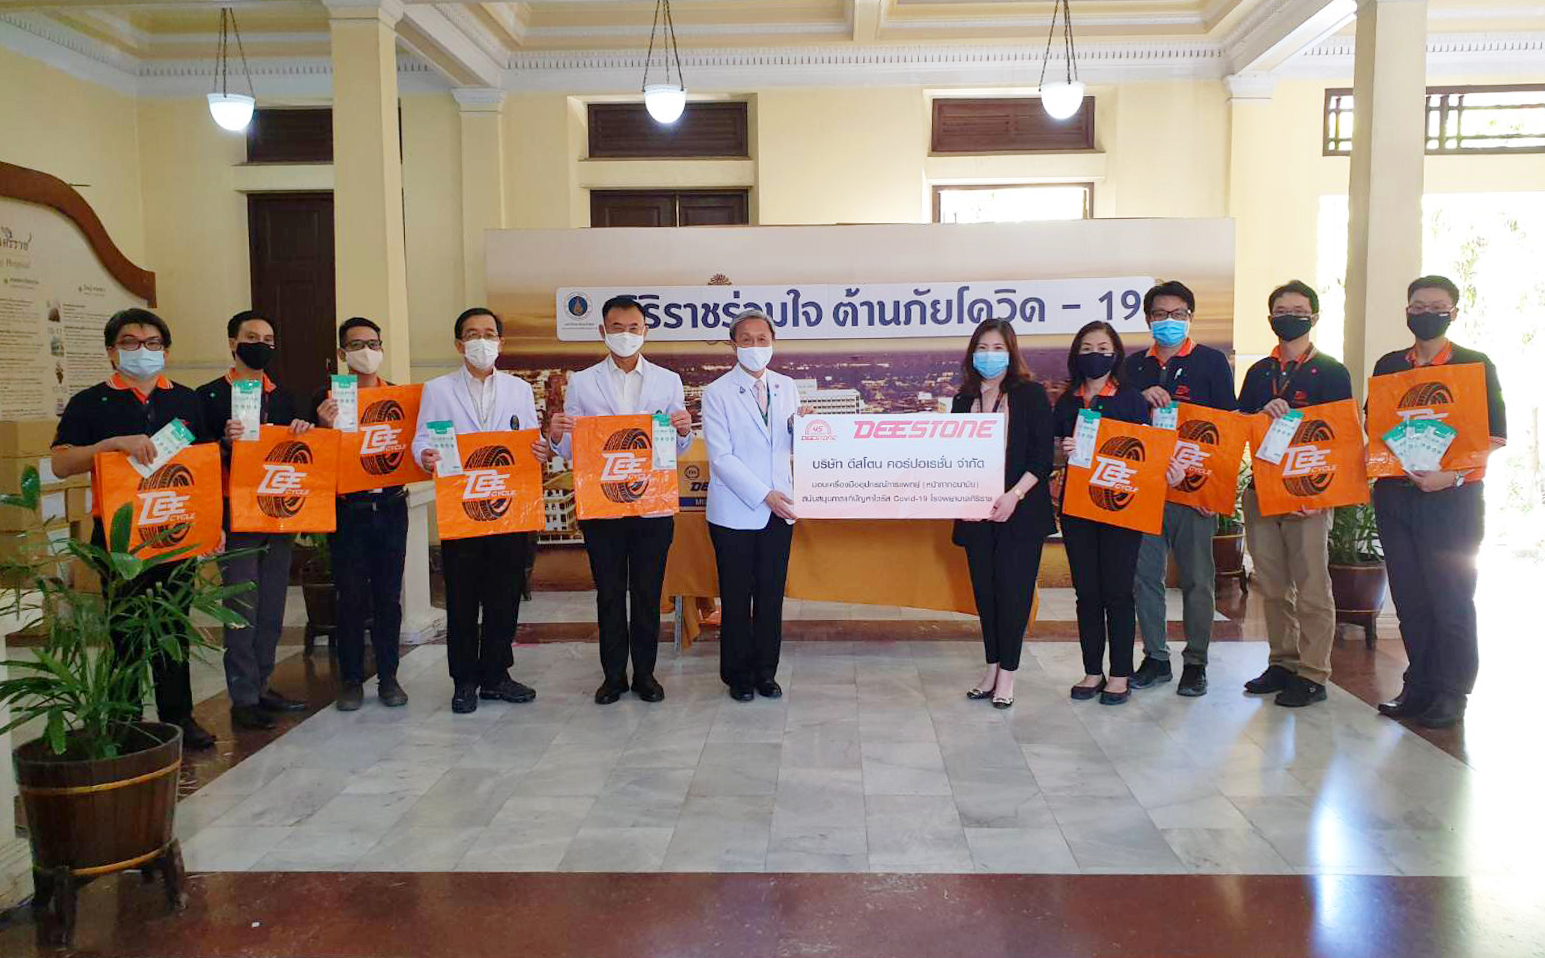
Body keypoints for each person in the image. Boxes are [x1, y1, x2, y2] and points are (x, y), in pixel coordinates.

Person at [50, 309, 216, 750]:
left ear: (166, 351)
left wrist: (210, 525)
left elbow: (202, 466)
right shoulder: (91, 402)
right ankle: (125, 721)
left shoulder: (186, 400)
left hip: (174, 531)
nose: (143, 351)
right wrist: (108, 446)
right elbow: (61, 463)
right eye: (130, 342)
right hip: (119, 538)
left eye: (152, 343)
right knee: (124, 630)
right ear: (112, 351)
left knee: (172, 625)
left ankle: (178, 717)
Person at [1369, 276, 1506, 729]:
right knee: (1409, 598)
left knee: (1451, 598)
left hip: (1453, 498)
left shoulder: (1475, 364)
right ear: (1407, 310)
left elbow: (1494, 436)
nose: (1426, 313)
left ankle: (1452, 692)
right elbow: (1376, 425)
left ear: (1454, 312)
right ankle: (1420, 684)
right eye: (1418, 305)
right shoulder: (1390, 365)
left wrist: (1453, 475)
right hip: (1396, 495)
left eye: (1436, 306)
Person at [546, 295, 694, 705]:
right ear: (602, 331)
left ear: (645, 331)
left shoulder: (667, 381)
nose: (625, 335)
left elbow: (675, 449)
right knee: (609, 593)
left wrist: (684, 431)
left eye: (633, 328)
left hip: (652, 505)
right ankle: (613, 676)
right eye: (617, 327)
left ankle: (645, 674)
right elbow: (574, 449)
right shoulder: (582, 382)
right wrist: (557, 437)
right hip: (603, 504)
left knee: (647, 592)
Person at [412, 307, 550, 714]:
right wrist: (426, 455)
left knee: (504, 594)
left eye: (489, 334)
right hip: (462, 506)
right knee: (462, 596)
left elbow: (530, 439)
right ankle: (464, 680)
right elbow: (420, 440)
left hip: (508, 507)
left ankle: (496, 675)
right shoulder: (437, 390)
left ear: (501, 343)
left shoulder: (518, 389)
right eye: (473, 334)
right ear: (459, 345)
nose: (482, 341)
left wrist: (539, 450)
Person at [1237, 281, 1353, 708]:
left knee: (1311, 586)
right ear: (1271, 319)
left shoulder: (1331, 371)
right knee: (1272, 585)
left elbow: (1341, 438)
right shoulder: (1258, 373)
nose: (1290, 317)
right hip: (1263, 491)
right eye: (1281, 311)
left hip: (1308, 496)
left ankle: (1314, 673)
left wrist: (1322, 496)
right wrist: (1258, 414)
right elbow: (1240, 426)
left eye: (1299, 310)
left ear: (1314, 317)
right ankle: (1282, 662)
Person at [197, 311, 313, 731]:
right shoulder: (209, 396)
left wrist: (304, 429)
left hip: (277, 513)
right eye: (251, 337)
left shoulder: (283, 397)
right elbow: (194, 459)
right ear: (233, 343)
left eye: (268, 339)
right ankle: (243, 696)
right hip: (236, 515)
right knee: (241, 607)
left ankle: (263, 683)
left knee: (272, 605)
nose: (260, 345)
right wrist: (223, 443)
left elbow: (300, 453)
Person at [1124, 280, 1237, 697]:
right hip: (1146, 490)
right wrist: (1139, 397)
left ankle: (1196, 662)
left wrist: (1215, 492)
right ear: (1148, 319)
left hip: (1195, 493)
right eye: (1160, 314)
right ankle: (1155, 658)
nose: (1168, 321)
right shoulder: (1132, 367)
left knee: (1197, 579)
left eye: (1177, 314)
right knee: (1145, 579)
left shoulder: (1211, 362)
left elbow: (1227, 429)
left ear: (1190, 317)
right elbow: (1119, 423)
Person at [1053, 321, 1169, 706]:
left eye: (1102, 348)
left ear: (1116, 354)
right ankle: (1092, 670)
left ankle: (1120, 672)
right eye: (1086, 348)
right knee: (1087, 592)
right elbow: (1050, 452)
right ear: (1076, 354)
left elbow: (1147, 454)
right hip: (1077, 509)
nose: (1095, 355)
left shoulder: (1131, 400)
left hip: (1121, 507)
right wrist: (1063, 450)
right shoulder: (1067, 401)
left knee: (1118, 591)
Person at [701, 308, 805, 702]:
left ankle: (766, 672)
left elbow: (788, 446)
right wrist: (765, 495)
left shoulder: (786, 387)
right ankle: (738, 676)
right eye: (746, 339)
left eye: (762, 339)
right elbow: (721, 458)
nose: (755, 346)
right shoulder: (717, 393)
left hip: (780, 511)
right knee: (736, 596)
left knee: (770, 596)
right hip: (735, 511)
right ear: (734, 345)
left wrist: (803, 430)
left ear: (773, 343)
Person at [952, 320, 1055, 710]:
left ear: (1011, 353)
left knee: (1014, 595)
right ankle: (991, 668)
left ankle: (1008, 675)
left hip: (1020, 513)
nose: (989, 355)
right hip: (976, 517)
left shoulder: (1029, 395)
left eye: (998, 348)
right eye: (982, 347)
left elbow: (1042, 458)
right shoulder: (963, 399)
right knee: (986, 595)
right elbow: (953, 458)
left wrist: (1015, 495)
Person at [312, 317, 409, 711]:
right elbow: (313, 460)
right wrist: (323, 427)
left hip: (390, 506)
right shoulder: (325, 399)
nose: (366, 351)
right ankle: (351, 680)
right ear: (342, 353)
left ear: (381, 348)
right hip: (348, 510)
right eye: (356, 345)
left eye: (372, 343)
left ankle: (389, 677)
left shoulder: (399, 397)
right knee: (350, 596)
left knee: (389, 596)